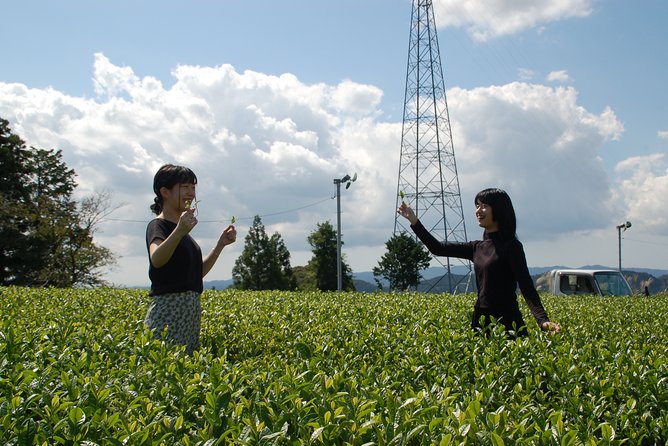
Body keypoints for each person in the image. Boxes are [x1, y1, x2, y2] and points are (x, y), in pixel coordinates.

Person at [397, 187, 560, 338]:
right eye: (477, 206)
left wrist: (542, 320)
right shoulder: (476, 247)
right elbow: (437, 248)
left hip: (508, 321)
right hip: (481, 321)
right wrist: (413, 220)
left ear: (499, 210)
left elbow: (526, 286)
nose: (478, 211)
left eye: (484, 206)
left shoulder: (512, 247)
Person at [145, 164, 237, 354]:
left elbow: (197, 274)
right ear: (165, 192)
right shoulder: (159, 226)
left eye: (193, 188)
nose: (190, 193)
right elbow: (157, 258)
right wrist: (179, 231)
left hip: (189, 315)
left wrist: (220, 244)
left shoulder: (183, 231)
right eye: (184, 187)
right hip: (168, 315)